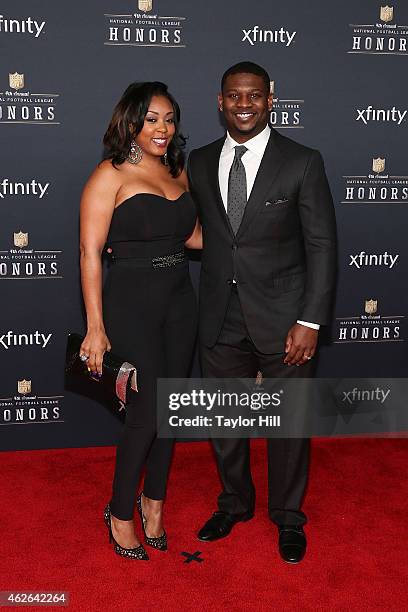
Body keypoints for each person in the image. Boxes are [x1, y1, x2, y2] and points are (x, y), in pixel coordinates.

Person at [188, 62, 337, 563]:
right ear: (220, 101)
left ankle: (289, 518)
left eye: (254, 95)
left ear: (271, 98)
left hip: (286, 318)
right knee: (226, 422)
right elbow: (202, 233)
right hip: (220, 315)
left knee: (290, 425)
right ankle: (235, 502)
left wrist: (311, 320)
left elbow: (321, 245)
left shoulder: (302, 161)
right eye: (234, 96)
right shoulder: (201, 162)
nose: (244, 104)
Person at [79, 81, 200, 560]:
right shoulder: (109, 175)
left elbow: (193, 238)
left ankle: (154, 504)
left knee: (170, 411)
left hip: (180, 302)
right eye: (152, 119)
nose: (163, 129)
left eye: (169, 119)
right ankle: (120, 512)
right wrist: (95, 325)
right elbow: (90, 252)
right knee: (145, 415)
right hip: (132, 302)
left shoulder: (178, 171)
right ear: (130, 122)